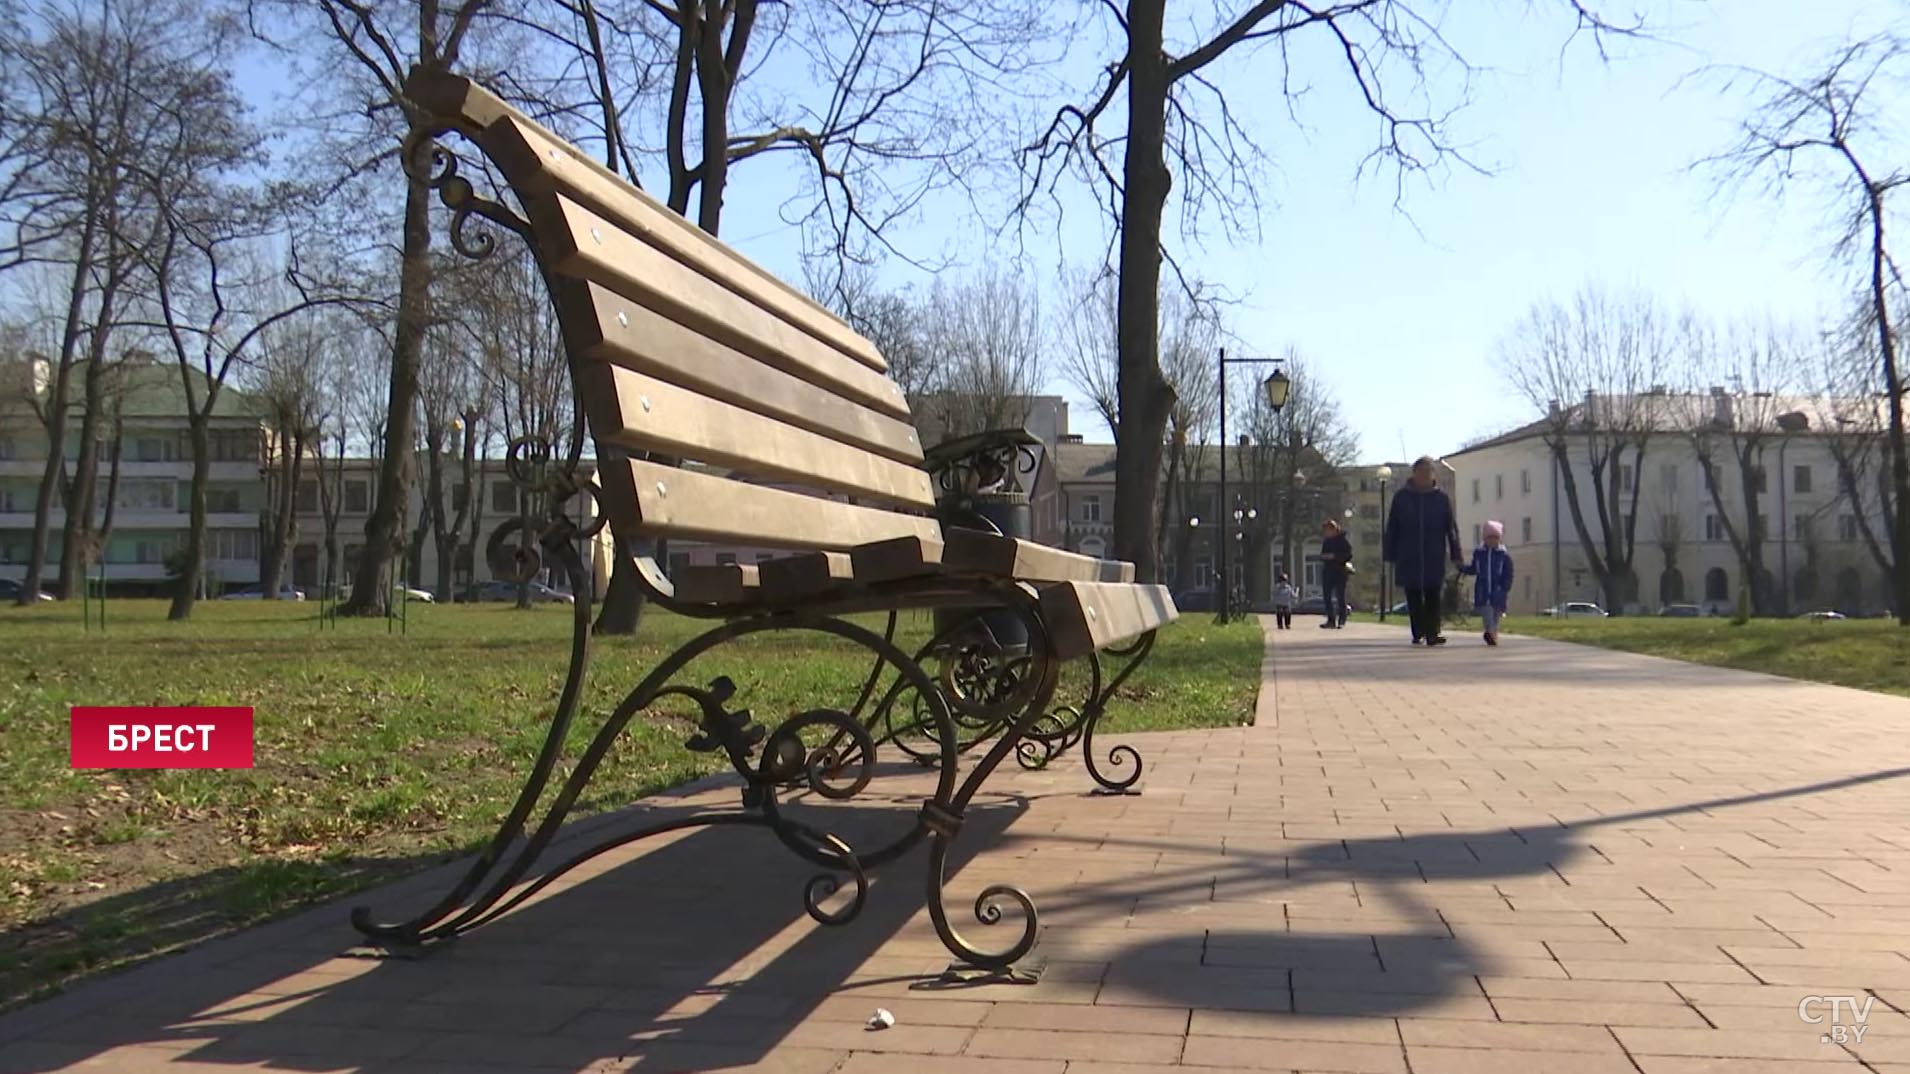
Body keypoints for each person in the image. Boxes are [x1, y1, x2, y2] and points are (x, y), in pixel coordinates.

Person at [1383, 456, 1464, 646]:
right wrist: (1390, 552)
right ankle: (1418, 631)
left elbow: (1451, 528)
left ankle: (1433, 633)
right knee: (1413, 594)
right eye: (1421, 472)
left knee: (1433, 593)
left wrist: (1456, 553)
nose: (1424, 476)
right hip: (1408, 553)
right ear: (1414, 474)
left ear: (1433, 475)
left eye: (1428, 472)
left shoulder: (1441, 499)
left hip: (1433, 554)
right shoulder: (1402, 498)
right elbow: (1392, 526)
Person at [1459, 519, 1515, 645]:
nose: (1492, 541)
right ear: (1484, 538)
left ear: (1499, 539)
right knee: (1487, 613)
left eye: (1495, 538)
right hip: (1483, 590)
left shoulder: (1503, 556)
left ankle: (1493, 634)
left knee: (1495, 615)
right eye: (1489, 538)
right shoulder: (1480, 554)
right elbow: (1474, 569)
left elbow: (1508, 573)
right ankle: (1489, 632)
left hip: (1498, 590)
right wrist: (1463, 568)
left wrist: (1505, 587)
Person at [1318, 519, 1354, 629]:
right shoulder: (1327, 541)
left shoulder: (1342, 541)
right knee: (1327, 596)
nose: (1325, 533)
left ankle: (1342, 619)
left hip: (1340, 572)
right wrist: (1324, 557)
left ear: (1333, 530)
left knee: (1340, 596)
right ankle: (1331, 620)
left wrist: (1335, 556)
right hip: (1328, 571)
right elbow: (1323, 554)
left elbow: (1348, 555)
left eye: (1327, 531)